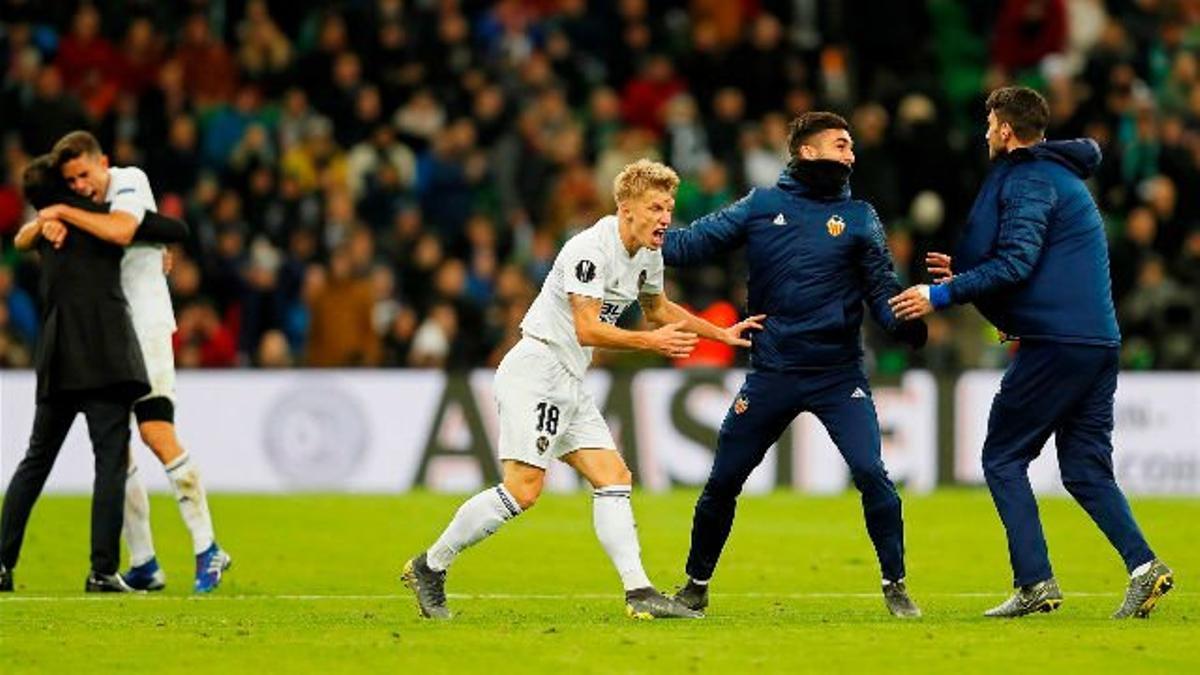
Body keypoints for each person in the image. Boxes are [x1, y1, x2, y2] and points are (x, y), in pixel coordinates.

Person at [401, 159, 764, 620]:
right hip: (537, 369)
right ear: (626, 208)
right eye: (655, 207)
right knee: (523, 490)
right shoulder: (588, 250)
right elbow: (588, 328)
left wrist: (721, 333)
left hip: (570, 379)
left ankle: (639, 594)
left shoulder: (649, 255)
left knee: (613, 477)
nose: (665, 217)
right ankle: (430, 566)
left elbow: (658, 309)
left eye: (669, 207)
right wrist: (649, 343)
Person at [889, 86, 1172, 619]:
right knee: (1086, 470)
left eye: (989, 123)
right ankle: (1144, 568)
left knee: (1003, 456)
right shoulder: (1061, 178)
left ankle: (1035, 583)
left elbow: (1017, 261)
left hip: (1058, 345)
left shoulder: (1027, 180)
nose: (985, 133)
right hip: (1096, 342)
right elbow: (1041, 268)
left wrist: (940, 293)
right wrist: (972, 281)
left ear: (1004, 130)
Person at [662, 111, 928, 618]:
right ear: (807, 151)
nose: (851, 155)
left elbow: (880, 291)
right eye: (841, 145)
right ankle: (695, 588)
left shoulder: (860, 217)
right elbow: (691, 243)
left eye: (852, 147)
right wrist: (637, 233)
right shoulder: (762, 205)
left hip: (838, 375)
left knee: (872, 472)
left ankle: (896, 586)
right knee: (722, 482)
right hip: (773, 373)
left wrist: (911, 321)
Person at [36, 130, 231, 593]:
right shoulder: (80, 206)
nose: (81, 184)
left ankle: (208, 547)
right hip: (105, 334)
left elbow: (124, 228)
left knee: (155, 432)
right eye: (71, 180)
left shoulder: (128, 180)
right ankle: (144, 560)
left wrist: (64, 213)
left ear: (103, 161)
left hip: (144, 326)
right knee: (113, 446)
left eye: (85, 173)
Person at [0, 154, 186, 593]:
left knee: (35, 461)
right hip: (104, 356)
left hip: (60, 351)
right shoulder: (103, 219)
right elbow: (170, 228)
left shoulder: (49, 227)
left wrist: (47, 219)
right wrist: (157, 242)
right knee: (109, 462)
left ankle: (2, 563)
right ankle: (102, 570)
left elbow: (21, 238)